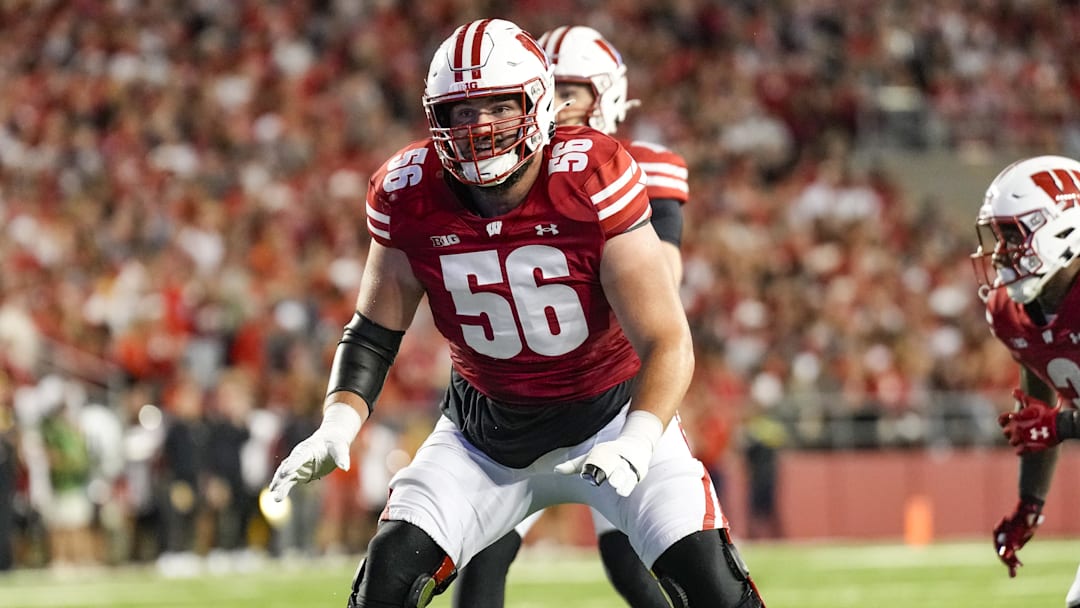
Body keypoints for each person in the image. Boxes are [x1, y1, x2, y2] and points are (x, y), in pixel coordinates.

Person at [269, 18, 764, 608]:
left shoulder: (592, 174)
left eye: (498, 106)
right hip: (484, 440)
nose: (478, 128)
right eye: (460, 111)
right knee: (384, 586)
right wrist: (339, 423)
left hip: (609, 415)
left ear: (537, 102)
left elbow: (666, 338)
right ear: (435, 118)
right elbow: (373, 333)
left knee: (717, 593)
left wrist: (637, 438)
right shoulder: (408, 189)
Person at [452, 24, 690, 608]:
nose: (552, 105)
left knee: (632, 562)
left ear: (608, 95)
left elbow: (663, 282)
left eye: (570, 91)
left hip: (611, 395)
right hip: (516, 403)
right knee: (482, 559)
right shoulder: (504, 177)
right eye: (544, 89)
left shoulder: (633, 167)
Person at [973, 155, 1080, 607]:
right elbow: (1039, 386)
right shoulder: (1009, 313)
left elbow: (1051, 423)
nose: (999, 252)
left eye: (1013, 234)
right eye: (998, 236)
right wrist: (1029, 504)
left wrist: (1061, 427)